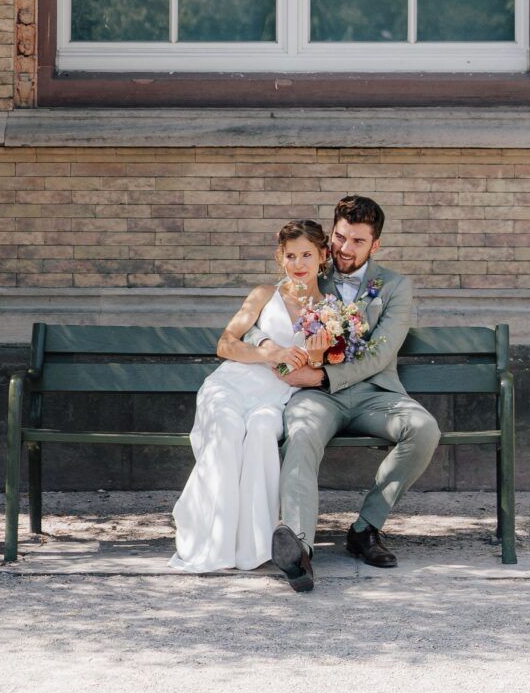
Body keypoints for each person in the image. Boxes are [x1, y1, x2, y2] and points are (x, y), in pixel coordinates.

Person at [270, 194, 440, 596]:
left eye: (358, 241)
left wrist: (323, 376)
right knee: (301, 433)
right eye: (340, 237)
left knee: (424, 429)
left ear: (375, 245)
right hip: (318, 398)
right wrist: (272, 351)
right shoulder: (311, 270)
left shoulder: (395, 286)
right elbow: (271, 313)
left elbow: (382, 353)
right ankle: (298, 548)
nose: (345, 248)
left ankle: (365, 529)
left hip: (373, 392)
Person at [171, 219, 332, 575]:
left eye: (307, 255)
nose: (299, 264)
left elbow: (319, 368)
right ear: (280, 257)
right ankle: (211, 541)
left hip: (274, 399)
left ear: (323, 256)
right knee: (228, 429)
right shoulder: (264, 294)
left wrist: (315, 355)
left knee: (260, 433)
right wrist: (267, 352)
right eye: (291, 256)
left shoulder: (330, 310)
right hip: (232, 385)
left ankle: (254, 548)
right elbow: (225, 344)